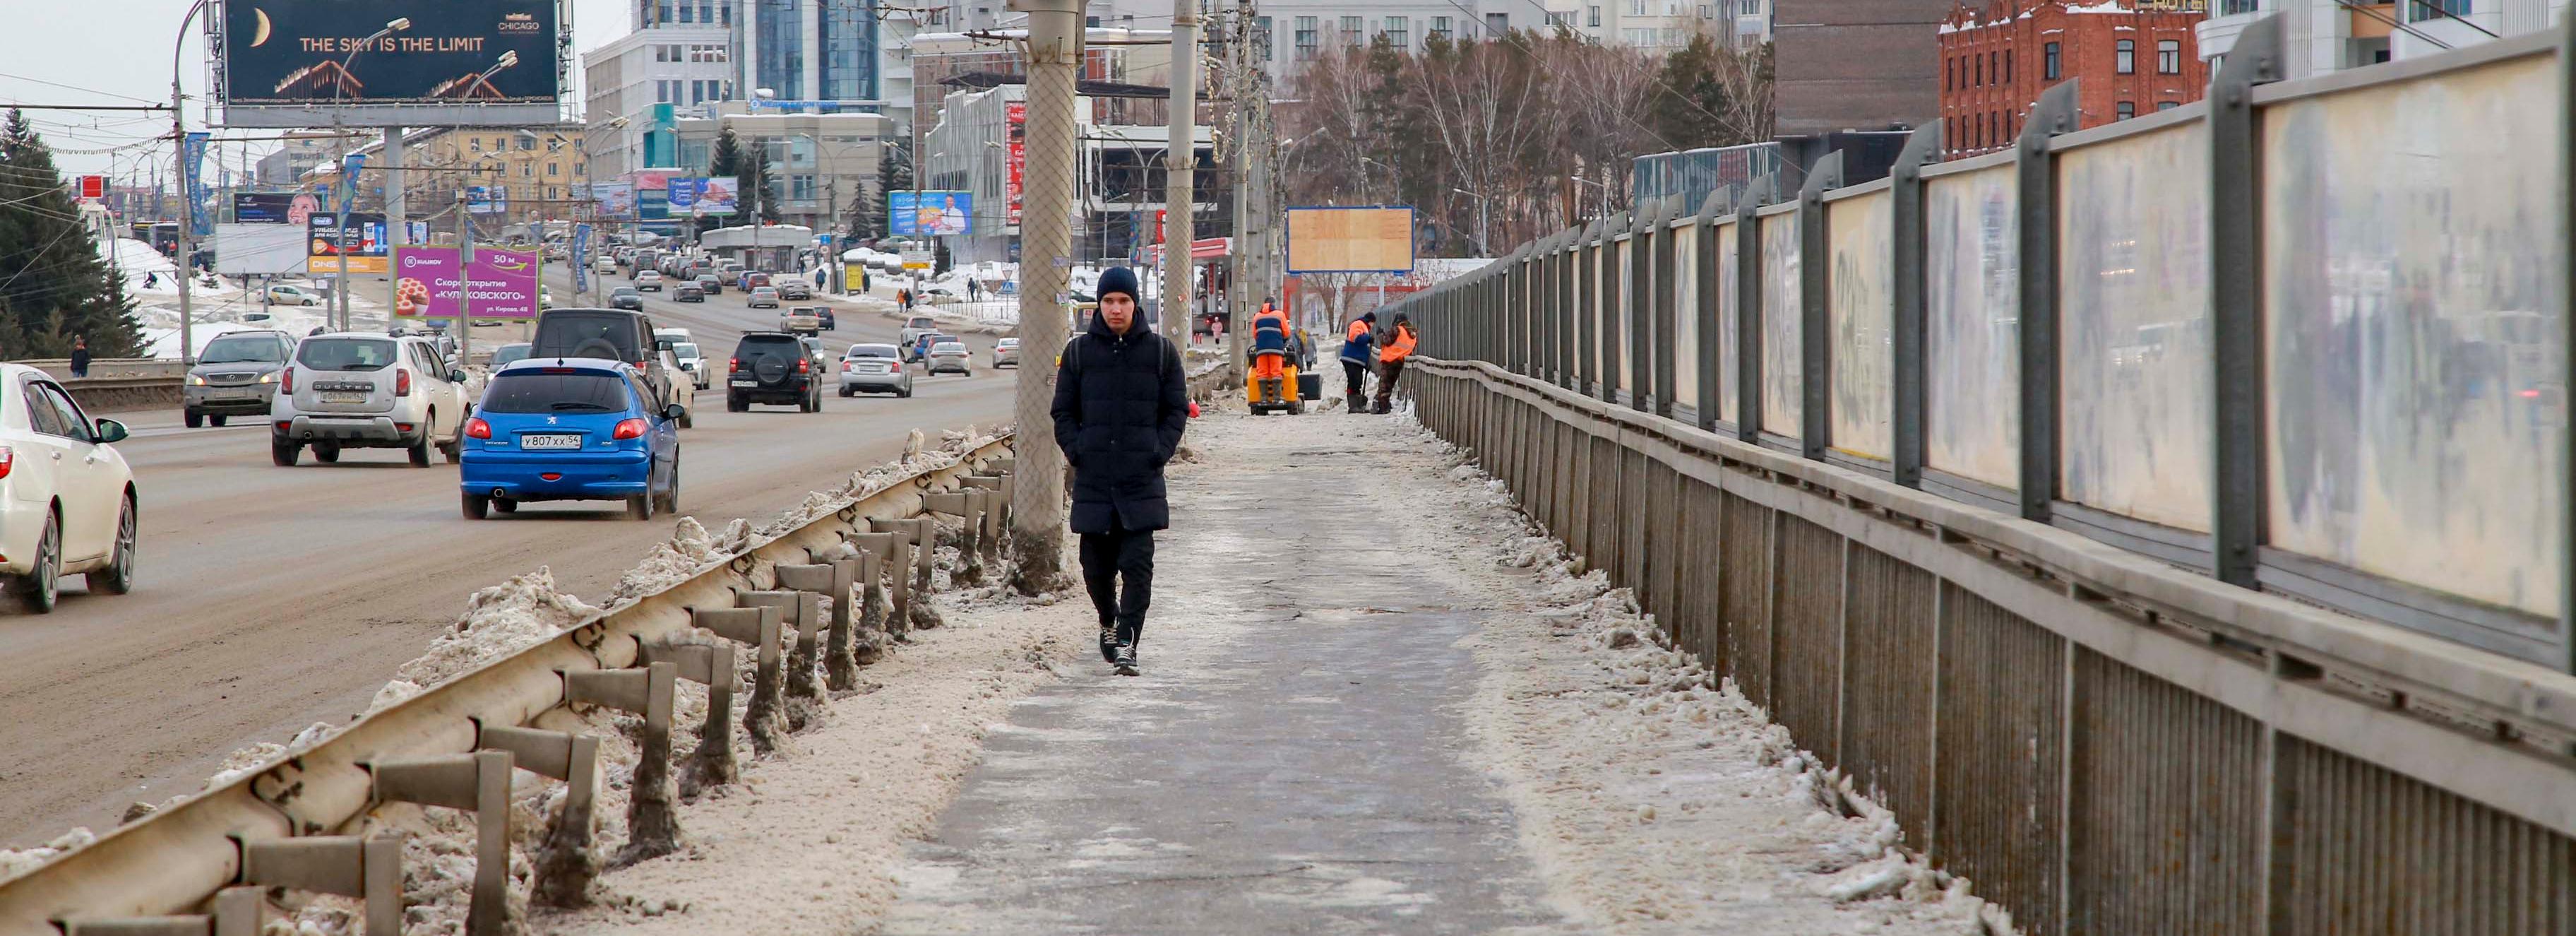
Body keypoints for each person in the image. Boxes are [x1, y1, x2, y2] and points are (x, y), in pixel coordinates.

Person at [1051, 266, 1188, 677]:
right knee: (1094, 569)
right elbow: (1063, 411)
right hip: (1094, 480)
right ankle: (1109, 620)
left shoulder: (1160, 353)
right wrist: (1078, 450)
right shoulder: (1078, 354)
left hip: (1140, 480)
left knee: (1138, 568)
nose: (1116, 309)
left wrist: (1158, 451)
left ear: (1135, 305)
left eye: (1123, 301)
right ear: (1099, 305)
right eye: (1109, 301)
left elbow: (1176, 409)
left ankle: (1127, 643)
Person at [1373, 312, 1417, 415]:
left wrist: (1380, 334)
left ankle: (1383, 407)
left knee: (1384, 385)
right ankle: (1385, 405)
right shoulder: (1412, 333)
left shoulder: (1397, 330)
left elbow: (1386, 341)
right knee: (1390, 384)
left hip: (1390, 360)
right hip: (1400, 362)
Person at [1340, 312, 1377, 412]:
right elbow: (1355, 338)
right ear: (1370, 321)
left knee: (1358, 381)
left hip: (1357, 360)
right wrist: (1368, 339)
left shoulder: (1365, 327)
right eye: (1373, 322)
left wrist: (1366, 364)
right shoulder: (1358, 324)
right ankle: (1353, 406)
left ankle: (1357, 404)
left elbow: (1364, 349)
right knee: (1354, 381)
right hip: (1351, 358)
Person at [1249, 299, 1289, 386]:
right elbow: (1286, 333)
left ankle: (1263, 398)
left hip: (1261, 349)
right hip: (1276, 349)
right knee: (1276, 372)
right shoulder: (1280, 315)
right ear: (1274, 305)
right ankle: (1277, 398)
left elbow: (1255, 335)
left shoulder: (1257, 316)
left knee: (1262, 373)